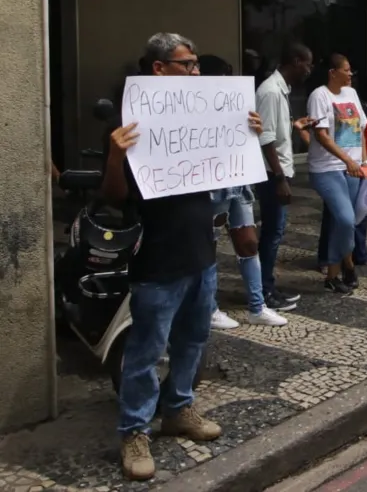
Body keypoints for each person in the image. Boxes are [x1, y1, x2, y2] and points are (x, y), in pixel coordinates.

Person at [103, 33, 261, 481]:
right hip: (156, 260)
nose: (196, 72)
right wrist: (116, 156)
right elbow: (115, 197)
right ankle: (134, 431)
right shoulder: (130, 124)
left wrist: (246, 135)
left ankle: (177, 410)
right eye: (187, 64)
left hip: (201, 253)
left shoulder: (203, 114)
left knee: (192, 342)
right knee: (146, 351)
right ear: (158, 69)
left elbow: (232, 167)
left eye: (195, 65)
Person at [193, 55, 288, 330]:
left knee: (248, 243)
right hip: (211, 184)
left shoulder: (235, 106)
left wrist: (254, 131)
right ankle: (210, 309)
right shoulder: (195, 110)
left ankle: (257, 306)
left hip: (238, 181)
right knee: (209, 244)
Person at [307, 54, 367, 293]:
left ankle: (331, 276)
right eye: (346, 70)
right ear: (333, 72)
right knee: (345, 218)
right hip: (327, 168)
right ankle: (348, 264)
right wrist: (348, 160)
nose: (351, 74)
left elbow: (360, 129)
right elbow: (322, 135)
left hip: (353, 167)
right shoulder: (320, 96)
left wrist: (363, 161)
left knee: (344, 222)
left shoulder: (351, 94)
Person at [255, 42, 315, 311]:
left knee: (274, 233)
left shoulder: (281, 90)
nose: (309, 69)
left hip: (279, 171)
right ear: (294, 61)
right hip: (271, 175)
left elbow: (276, 131)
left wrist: (296, 125)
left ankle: (267, 286)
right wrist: (279, 178)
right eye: (307, 63)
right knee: (271, 234)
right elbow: (265, 138)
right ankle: (263, 291)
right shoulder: (269, 91)